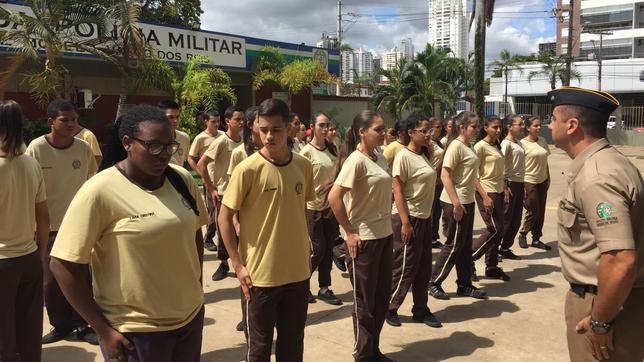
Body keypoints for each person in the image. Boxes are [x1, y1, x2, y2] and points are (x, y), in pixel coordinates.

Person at [49, 105, 208, 362]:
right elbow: (62, 264)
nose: (164, 154)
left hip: (188, 319)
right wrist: (102, 330)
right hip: (137, 331)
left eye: (170, 146)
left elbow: (194, 232)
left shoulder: (180, 179)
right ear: (127, 143)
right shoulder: (100, 190)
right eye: (154, 146)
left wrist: (196, 289)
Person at [549, 86, 644, 362]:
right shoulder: (611, 162)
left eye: (553, 118)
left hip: (604, 305)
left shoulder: (597, 176)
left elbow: (619, 260)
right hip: (614, 301)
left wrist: (600, 321)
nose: (549, 124)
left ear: (572, 126)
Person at [218, 98, 314, 362]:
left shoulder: (303, 167)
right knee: (259, 348)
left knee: (292, 345)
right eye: (263, 129)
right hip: (260, 277)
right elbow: (224, 218)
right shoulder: (247, 169)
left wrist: (306, 250)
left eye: (276, 129)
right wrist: (237, 264)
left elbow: (300, 212)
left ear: (289, 129)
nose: (269, 136)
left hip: (297, 274)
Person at [25, 99, 98, 345]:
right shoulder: (36, 148)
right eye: (64, 120)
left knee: (82, 278)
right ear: (51, 122)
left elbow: (93, 182)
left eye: (74, 120)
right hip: (47, 226)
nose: (70, 124)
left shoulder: (83, 148)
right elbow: (28, 187)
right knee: (50, 282)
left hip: (78, 225)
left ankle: (83, 325)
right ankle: (60, 325)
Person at [328, 110, 394, 362]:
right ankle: (362, 354)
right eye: (378, 129)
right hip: (364, 241)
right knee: (364, 302)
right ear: (362, 132)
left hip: (385, 235)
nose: (383, 133)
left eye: (383, 128)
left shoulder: (380, 157)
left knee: (380, 297)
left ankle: (373, 349)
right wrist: (350, 232)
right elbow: (334, 198)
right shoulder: (355, 160)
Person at [0, 101, 50, 362]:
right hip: (28, 258)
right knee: (29, 329)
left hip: (3, 262)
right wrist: (40, 256)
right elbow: (44, 218)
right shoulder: (31, 164)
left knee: (3, 336)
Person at [385, 114, 441, 329]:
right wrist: (406, 222)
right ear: (411, 133)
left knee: (423, 268)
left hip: (424, 218)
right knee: (404, 266)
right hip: (408, 219)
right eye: (424, 131)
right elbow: (397, 188)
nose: (429, 134)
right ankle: (389, 306)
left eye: (429, 130)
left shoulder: (424, 154)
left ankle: (421, 308)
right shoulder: (403, 156)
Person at [429, 111, 487, 301]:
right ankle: (434, 281)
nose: (477, 129)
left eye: (478, 126)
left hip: (467, 200)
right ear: (462, 127)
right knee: (453, 244)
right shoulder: (455, 146)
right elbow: (445, 175)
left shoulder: (467, 146)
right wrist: (456, 203)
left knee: (463, 246)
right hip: (455, 201)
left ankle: (464, 285)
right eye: (474, 126)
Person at [300, 113, 342, 306]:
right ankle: (301, 284)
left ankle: (324, 287)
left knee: (327, 250)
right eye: (321, 125)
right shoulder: (306, 153)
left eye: (328, 125)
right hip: (312, 207)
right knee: (318, 249)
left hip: (330, 208)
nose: (325, 129)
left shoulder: (333, 150)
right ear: (313, 127)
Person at [198, 106, 244, 281]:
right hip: (225, 193)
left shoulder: (243, 141)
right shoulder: (221, 142)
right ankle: (224, 263)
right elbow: (202, 164)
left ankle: (242, 261)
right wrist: (211, 188)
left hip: (242, 193)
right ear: (228, 121)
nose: (241, 123)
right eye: (237, 119)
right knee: (225, 229)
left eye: (242, 120)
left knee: (242, 229)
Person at [471, 116, 511, 282]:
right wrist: (485, 196)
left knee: (499, 231)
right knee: (494, 229)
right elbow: (473, 175)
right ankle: (468, 258)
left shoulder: (497, 145)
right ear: (485, 128)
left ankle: (492, 266)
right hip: (486, 191)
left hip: (498, 191)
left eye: (500, 127)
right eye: (494, 127)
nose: (498, 130)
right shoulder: (480, 146)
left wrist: (505, 188)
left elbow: (499, 171)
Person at [188, 109, 224, 252]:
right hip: (209, 181)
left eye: (218, 121)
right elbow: (191, 157)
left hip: (223, 179)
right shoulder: (200, 138)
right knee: (213, 212)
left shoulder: (223, 136)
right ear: (206, 122)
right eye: (213, 121)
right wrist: (200, 173)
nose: (216, 124)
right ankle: (208, 238)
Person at [518, 116, 551, 250]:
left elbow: (545, 161)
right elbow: (519, 165)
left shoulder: (542, 140)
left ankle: (536, 239)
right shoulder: (522, 144)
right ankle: (523, 233)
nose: (538, 128)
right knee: (533, 208)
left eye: (539, 125)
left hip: (542, 179)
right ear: (527, 128)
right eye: (535, 126)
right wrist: (522, 185)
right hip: (529, 180)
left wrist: (548, 177)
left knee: (541, 210)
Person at [499, 114, 525, 260]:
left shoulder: (518, 143)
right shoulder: (506, 144)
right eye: (519, 124)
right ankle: (495, 248)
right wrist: (504, 186)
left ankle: (505, 248)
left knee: (516, 219)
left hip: (519, 183)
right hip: (509, 183)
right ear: (509, 126)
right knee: (506, 219)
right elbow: (500, 166)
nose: (522, 126)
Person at [428, 117, 445, 249]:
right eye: (437, 127)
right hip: (431, 181)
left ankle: (433, 237)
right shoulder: (429, 143)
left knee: (437, 211)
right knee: (431, 210)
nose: (440, 129)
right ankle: (430, 238)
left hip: (439, 181)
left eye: (441, 127)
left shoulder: (438, 142)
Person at [158, 100, 190, 166]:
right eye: (171, 117)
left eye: (177, 117)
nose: (175, 121)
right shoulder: (152, 138)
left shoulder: (184, 138)